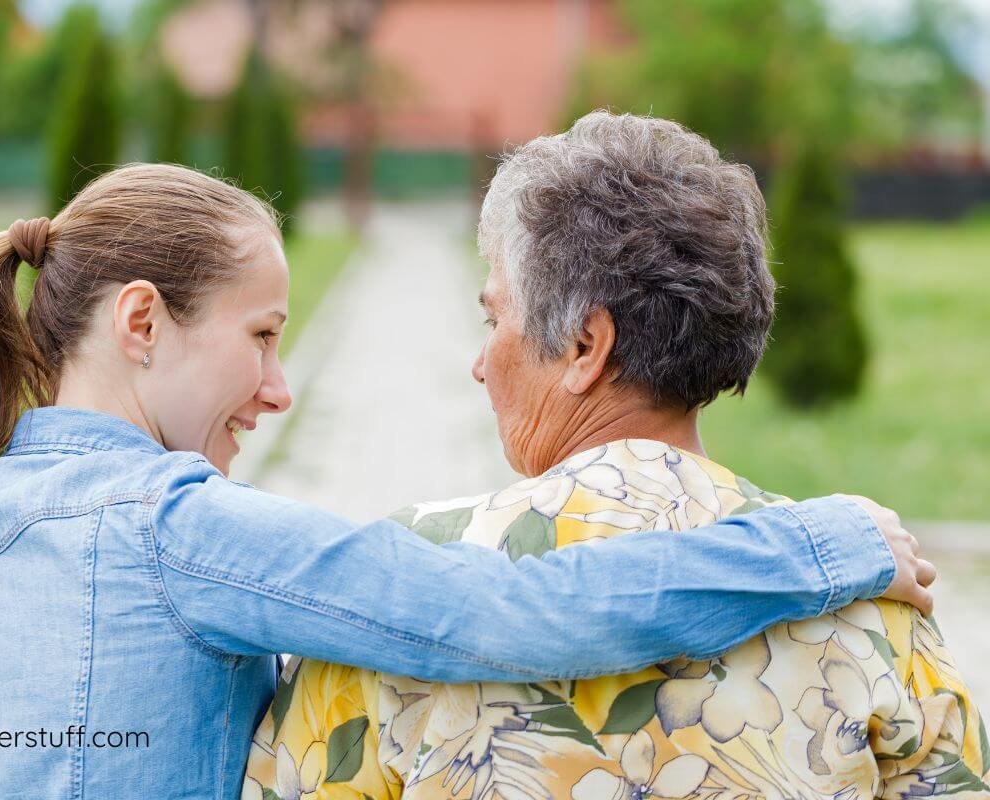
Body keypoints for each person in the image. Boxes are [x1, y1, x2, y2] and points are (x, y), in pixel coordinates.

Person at [0, 164, 931, 800]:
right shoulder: (172, 528)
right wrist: (821, 545)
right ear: (140, 320)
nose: (277, 388)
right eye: (263, 335)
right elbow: (509, 613)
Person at [244, 112, 981, 800]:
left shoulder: (401, 591)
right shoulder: (877, 602)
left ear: (584, 346)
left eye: (494, 316)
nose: (478, 362)